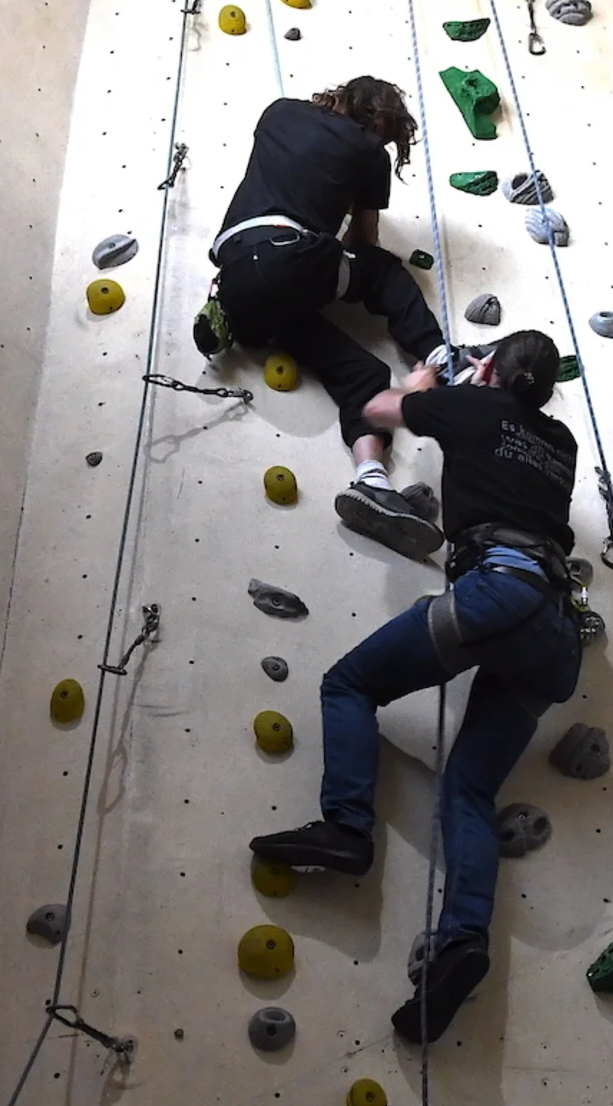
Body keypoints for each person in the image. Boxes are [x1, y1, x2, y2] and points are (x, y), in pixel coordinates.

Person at [249, 330, 583, 1044]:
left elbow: (378, 408)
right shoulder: (563, 445)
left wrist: (429, 377)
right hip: (555, 638)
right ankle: (463, 940)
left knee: (349, 684)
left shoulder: (473, 406)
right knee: (467, 789)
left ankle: (347, 827)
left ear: (489, 369)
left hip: (502, 593)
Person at [193, 76, 477, 561]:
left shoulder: (278, 111)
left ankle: (371, 482)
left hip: (242, 286)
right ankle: (440, 355)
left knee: (364, 375)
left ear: (341, 97)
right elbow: (365, 242)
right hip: (289, 256)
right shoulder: (369, 152)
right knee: (382, 271)